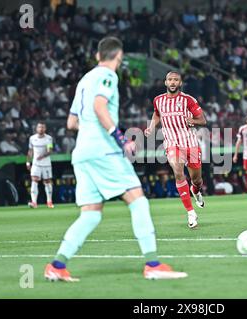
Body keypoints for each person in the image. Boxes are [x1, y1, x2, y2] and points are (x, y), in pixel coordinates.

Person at [45, 37, 187, 282]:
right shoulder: (108, 76)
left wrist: (91, 130)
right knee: (138, 201)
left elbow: (71, 123)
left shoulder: (83, 81)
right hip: (103, 150)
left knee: (90, 214)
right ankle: (153, 264)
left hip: (82, 153)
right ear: (118, 57)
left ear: (98, 55)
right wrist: (121, 140)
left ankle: (57, 266)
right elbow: (100, 108)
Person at [145, 70, 207, 229]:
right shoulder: (158, 100)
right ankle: (190, 212)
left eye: (176, 80)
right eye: (170, 80)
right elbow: (157, 114)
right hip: (172, 143)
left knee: (196, 180)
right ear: (165, 82)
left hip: (191, 143)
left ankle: (196, 191)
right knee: (178, 172)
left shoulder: (188, 100)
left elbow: (203, 120)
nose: (172, 82)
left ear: (180, 83)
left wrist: (191, 121)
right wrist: (151, 127)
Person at [26, 121, 54, 209]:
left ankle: (49, 201)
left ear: (45, 129)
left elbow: (50, 150)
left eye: (42, 127)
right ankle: (34, 202)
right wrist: (28, 162)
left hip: (46, 164)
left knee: (47, 182)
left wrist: (42, 156)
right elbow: (30, 151)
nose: (41, 129)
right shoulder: (32, 138)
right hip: (36, 164)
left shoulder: (48, 138)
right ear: (36, 128)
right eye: (39, 127)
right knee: (34, 180)